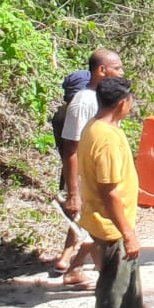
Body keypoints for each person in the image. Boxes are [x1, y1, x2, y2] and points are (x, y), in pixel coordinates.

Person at [79, 76, 153, 308]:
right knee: (114, 282)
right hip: (110, 223)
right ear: (123, 103)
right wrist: (128, 232)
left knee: (130, 267)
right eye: (131, 100)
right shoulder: (106, 140)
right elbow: (109, 193)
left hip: (115, 220)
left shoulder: (100, 126)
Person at [59, 50, 125, 288]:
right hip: (86, 181)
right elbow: (71, 149)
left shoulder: (105, 99)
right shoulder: (83, 102)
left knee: (96, 229)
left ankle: (78, 268)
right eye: (117, 68)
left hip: (100, 179)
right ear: (101, 71)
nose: (121, 72)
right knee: (100, 230)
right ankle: (105, 281)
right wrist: (73, 192)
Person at [47, 69, 92, 272]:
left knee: (81, 220)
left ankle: (71, 260)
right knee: (91, 221)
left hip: (70, 170)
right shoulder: (78, 112)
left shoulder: (61, 112)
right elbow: (72, 149)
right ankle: (72, 262)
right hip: (81, 171)